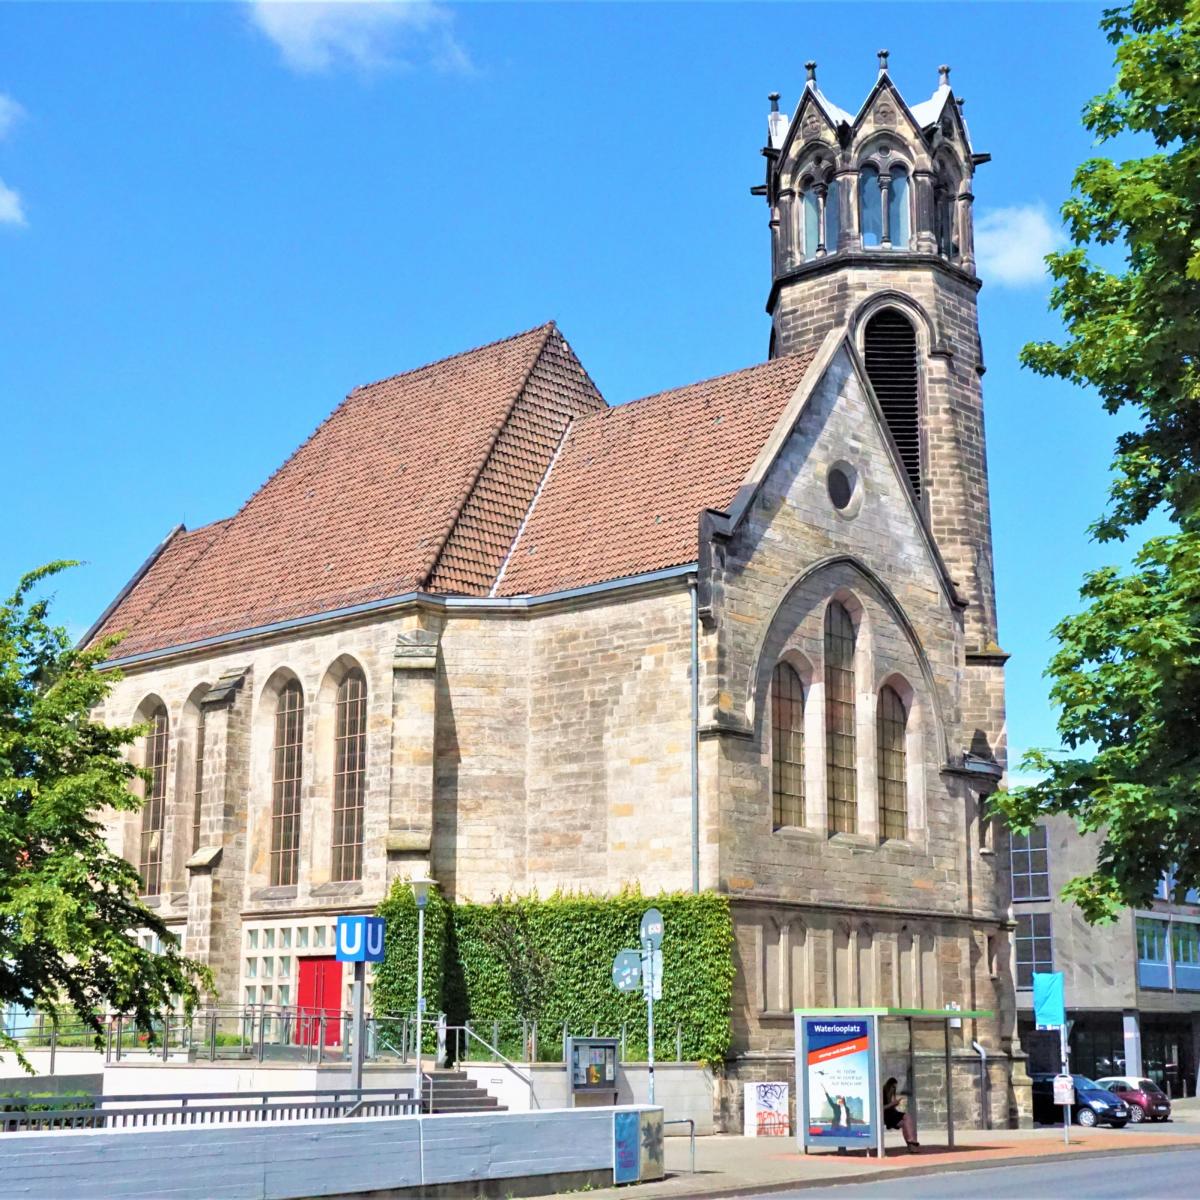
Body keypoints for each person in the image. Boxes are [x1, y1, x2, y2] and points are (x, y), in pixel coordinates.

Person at [882, 1077, 919, 1151]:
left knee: (907, 1121)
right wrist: (893, 1103)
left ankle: (911, 1143)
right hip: (886, 1115)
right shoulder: (882, 1093)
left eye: (895, 1087)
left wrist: (895, 1104)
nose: (893, 1089)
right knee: (906, 1120)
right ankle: (911, 1141)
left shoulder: (891, 1094)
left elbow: (891, 1106)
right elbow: (881, 1108)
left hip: (892, 1113)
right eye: (893, 1087)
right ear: (888, 1085)